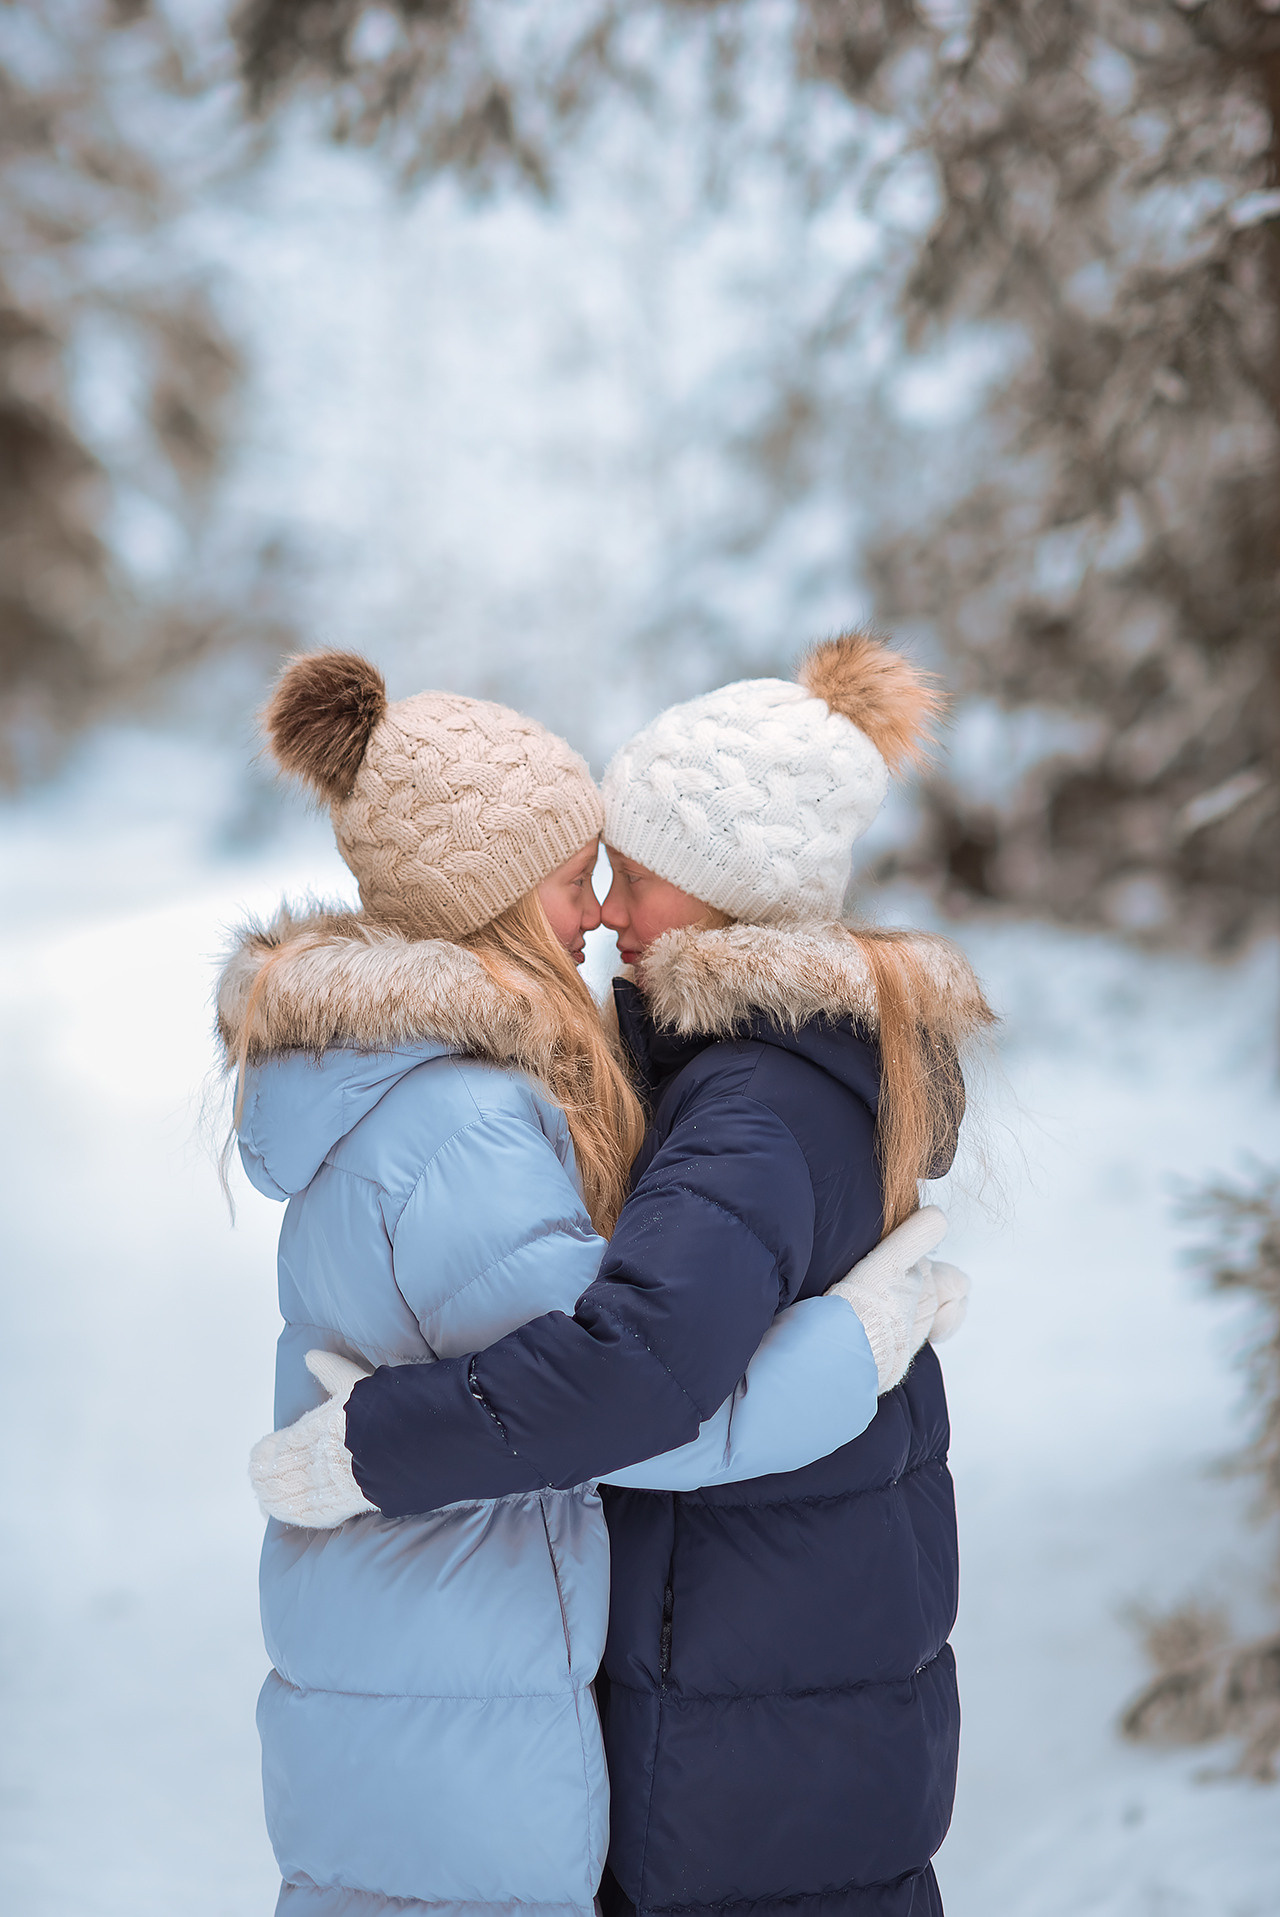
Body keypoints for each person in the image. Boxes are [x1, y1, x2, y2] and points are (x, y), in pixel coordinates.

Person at [255, 632, 995, 1917]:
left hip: (726, 1687)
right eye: (582, 880)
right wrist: (848, 1350)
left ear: (720, 891)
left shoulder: (739, 1105)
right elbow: (632, 1389)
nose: (604, 913)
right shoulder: (493, 1118)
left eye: (630, 880)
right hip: (652, 1674)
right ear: (492, 902)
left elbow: (627, 1384)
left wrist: (376, 1442)